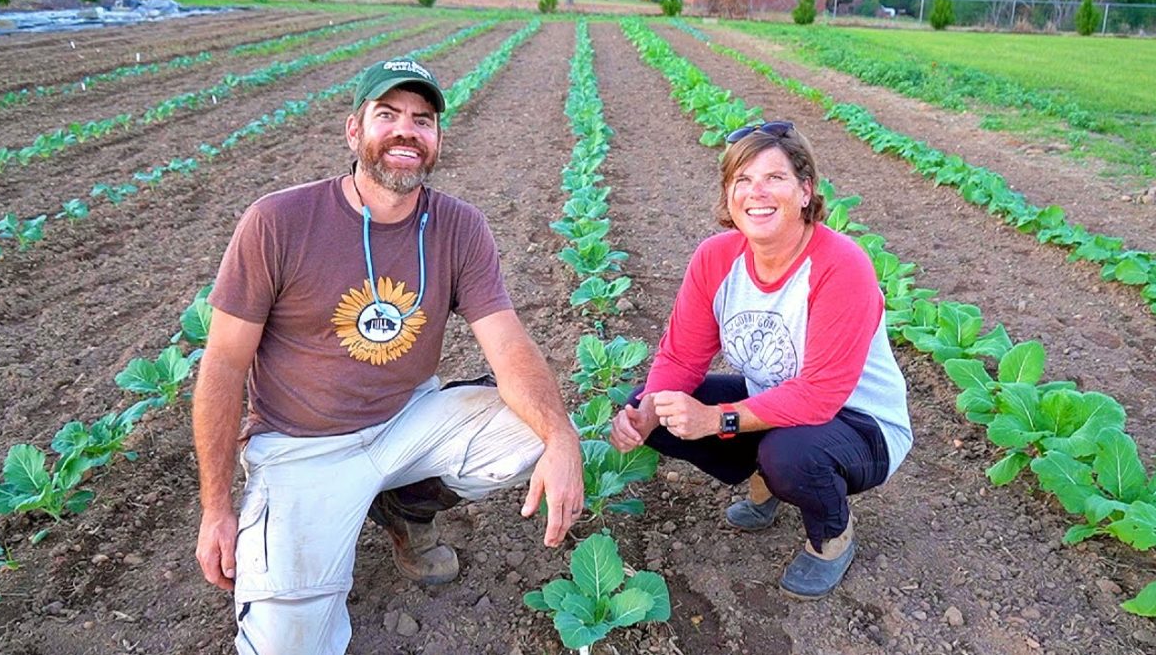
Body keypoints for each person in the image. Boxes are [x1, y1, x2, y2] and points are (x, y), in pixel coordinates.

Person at [192, 57, 584, 654]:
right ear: (355, 131)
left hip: (406, 422)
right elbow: (222, 366)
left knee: (533, 430)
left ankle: (403, 506)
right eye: (388, 115)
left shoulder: (459, 226)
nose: (406, 131)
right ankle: (307, 526)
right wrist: (216, 508)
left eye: (422, 120)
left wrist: (562, 440)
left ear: (436, 139)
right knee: (286, 648)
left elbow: (508, 343)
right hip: (304, 447)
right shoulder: (278, 222)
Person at [610, 121, 912, 600]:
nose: (758, 193)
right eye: (742, 180)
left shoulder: (840, 266)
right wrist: (645, 414)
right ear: (729, 194)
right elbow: (681, 355)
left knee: (790, 455)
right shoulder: (715, 258)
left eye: (775, 178)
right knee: (662, 408)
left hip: (860, 423)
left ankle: (831, 536)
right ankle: (764, 483)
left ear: (805, 190)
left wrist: (717, 419)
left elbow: (819, 396)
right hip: (774, 404)